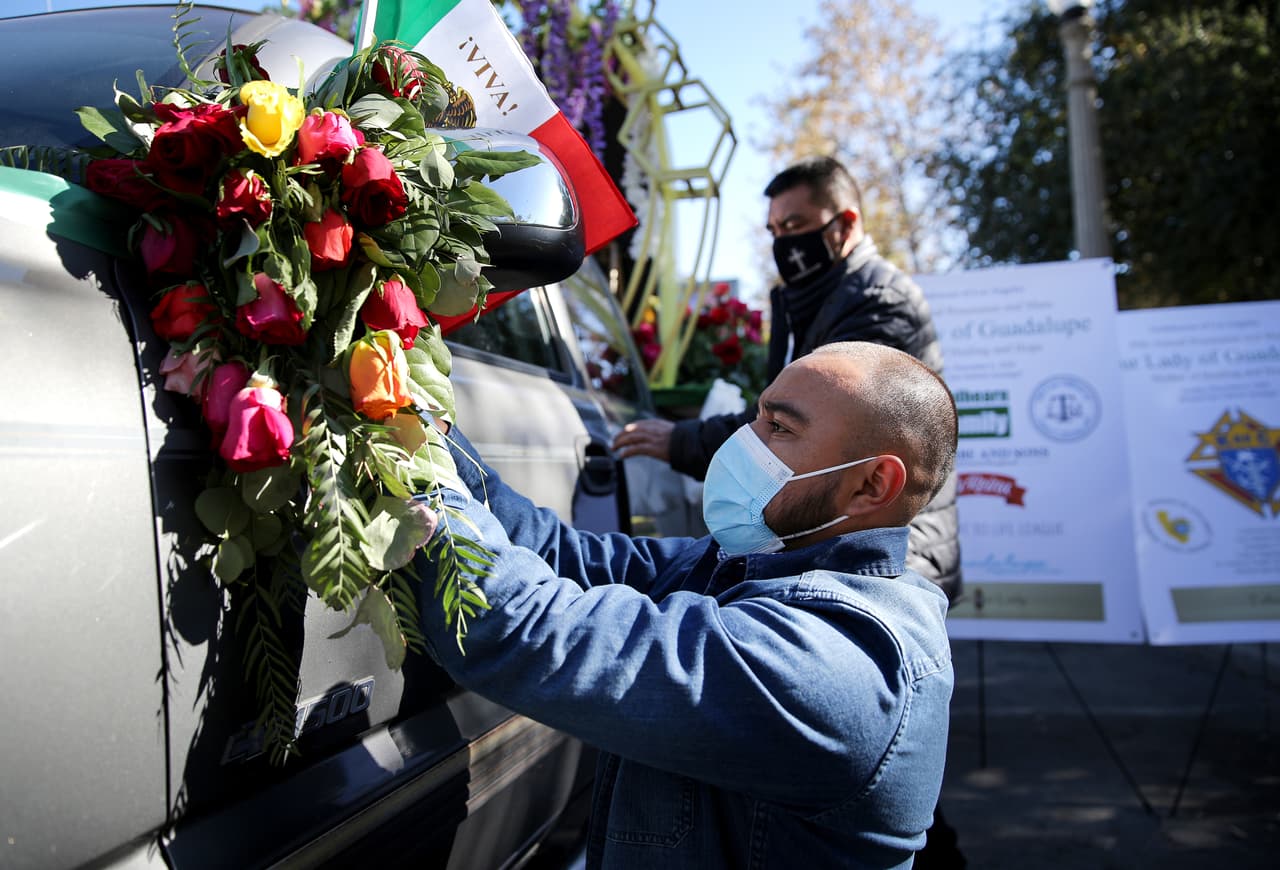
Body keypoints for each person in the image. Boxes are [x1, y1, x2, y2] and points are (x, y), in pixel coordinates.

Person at [416, 341, 957, 869]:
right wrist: (431, 430)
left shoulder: (841, 664)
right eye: (757, 416)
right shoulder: (744, 563)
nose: (745, 443)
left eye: (780, 429)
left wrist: (423, 482)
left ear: (872, 483)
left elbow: (521, 631)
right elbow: (565, 555)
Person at [612, 156, 961, 605]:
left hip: (884, 550)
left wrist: (682, 441)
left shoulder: (877, 302)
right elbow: (779, 415)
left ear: (844, 223)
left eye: (795, 225)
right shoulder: (810, 299)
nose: (784, 243)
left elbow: (815, 424)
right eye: (774, 231)